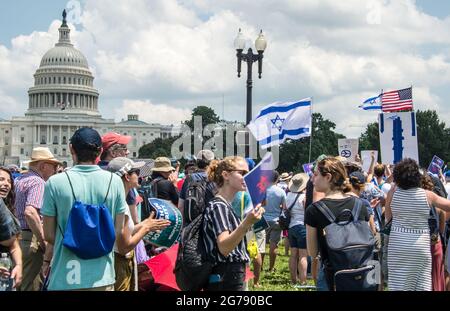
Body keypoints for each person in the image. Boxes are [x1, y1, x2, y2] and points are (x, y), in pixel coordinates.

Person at [41, 127, 127, 291]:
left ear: (71, 149)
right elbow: (118, 230)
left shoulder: (55, 182)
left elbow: (49, 235)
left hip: (65, 275)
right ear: (100, 151)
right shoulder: (115, 181)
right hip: (102, 276)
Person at [305, 157, 370, 290]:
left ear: (328, 177)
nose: (312, 179)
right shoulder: (359, 204)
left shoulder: (314, 210)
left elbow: (312, 251)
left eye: (316, 175)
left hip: (332, 274)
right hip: (362, 272)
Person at [385, 158, 450, 291]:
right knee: (421, 284)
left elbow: (388, 217)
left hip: (398, 243)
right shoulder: (428, 195)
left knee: (399, 283)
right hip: (420, 244)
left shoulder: (393, 192)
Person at [107, 157, 170, 291]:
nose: (139, 175)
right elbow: (124, 246)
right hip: (120, 263)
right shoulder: (121, 207)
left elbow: (123, 232)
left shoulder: (116, 201)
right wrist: (146, 228)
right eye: (136, 171)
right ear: (127, 177)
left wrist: (145, 224)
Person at [202, 156, 264, 291]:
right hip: (225, 277)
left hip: (229, 275)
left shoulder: (224, 204)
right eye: (242, 173)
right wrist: (246, 223)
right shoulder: (219, 206)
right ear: (226, 175)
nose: (247, 178)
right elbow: (224, 247)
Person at [15, 147, 60, 291]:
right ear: (43, 166)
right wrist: (42, 241)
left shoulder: (20, 179)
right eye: (54, 166)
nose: (55, 170)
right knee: (31, 285)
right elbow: (30, 212)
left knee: (20, 283)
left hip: (19, 237)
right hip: (31, 239)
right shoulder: (38, 182)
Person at [0, 167, 22, 290]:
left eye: (9, 181)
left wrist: (18, 265)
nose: (6, 184)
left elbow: (14, 243)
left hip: (6, 274)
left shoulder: (7, 208)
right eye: (1, 179)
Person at [286, 173, 308, 286]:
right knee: (303, 255)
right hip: (302, 226)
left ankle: (293, 280)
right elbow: (307, 212)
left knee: (293, 255)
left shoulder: (288, 196)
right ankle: (303, 281)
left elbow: (286, 210)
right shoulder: (304, 197)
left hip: (291, 227)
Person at [262, 171, 287, 273]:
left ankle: (259, 266)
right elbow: (285, 208)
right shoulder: (281, 192)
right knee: (274, 244)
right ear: (277, 179)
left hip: (263, 219)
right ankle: (271, 267)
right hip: (276, 220)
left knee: (261, 245)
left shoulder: (262, 190)